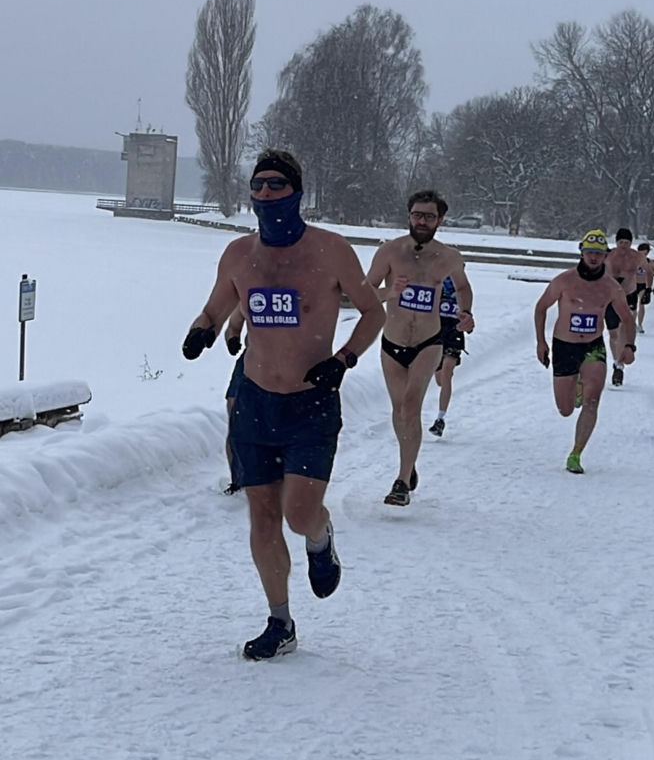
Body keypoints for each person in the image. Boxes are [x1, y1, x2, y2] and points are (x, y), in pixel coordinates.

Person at [182, 150, 384, 660]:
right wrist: (201, 329)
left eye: (277, 185)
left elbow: (373, 312)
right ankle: (281, 622)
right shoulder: (237, 255)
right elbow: (217, 304)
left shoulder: (332, 251)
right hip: (255, 401)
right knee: (263, 515)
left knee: (298, 513)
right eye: (259, 187)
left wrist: (344, 359)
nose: (266, 195)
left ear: (297, 192)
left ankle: (320, 536)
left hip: (311, 403)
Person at [366, 190, 474, 506]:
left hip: (429, 341)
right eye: (417, 214)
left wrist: (466, 312)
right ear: (409, 215)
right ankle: (409, 463)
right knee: (399, 410)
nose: (421, 221)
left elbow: (464, 287)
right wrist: (390, 292)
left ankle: (401, 481)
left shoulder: (449, 256)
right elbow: (365, 291)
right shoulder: (389, 251)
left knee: (411, 406)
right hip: (393, 343)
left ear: (440, 219)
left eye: (428, 216)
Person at [534, 229, 636, 474]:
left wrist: (629, 346)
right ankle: (576, 386)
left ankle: (576, 454)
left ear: (605, 256)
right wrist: (541, 342)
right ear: (581, 252)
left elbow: (627, 319)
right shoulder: (565, 280)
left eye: (599, 254)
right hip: (564, 346)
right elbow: (541, 308)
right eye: (589, 252)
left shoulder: (611, 287)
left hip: (593, 346)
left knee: (592, 401)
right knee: (565, 409)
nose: (593, 258)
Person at [429, 275, 468, 437]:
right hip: (436, 335)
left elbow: (468, 314)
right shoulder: (435, 286)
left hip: (454, 335)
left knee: (446, 374)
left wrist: (466, 323)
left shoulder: (462, 290)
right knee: (439, 379)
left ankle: (440, 419)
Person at [605, 228, 643, 386]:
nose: (623, 246)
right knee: (613, 333)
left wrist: (645, 289)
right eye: (621, 242)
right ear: (616, 242)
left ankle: (620, 366)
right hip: (611, 296)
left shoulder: (636, 257)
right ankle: (616, 361)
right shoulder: (609, 256)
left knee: (623, 329)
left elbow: (646, 271)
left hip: (628, 295)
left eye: (627, 243)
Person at [221, 305, 245, 496]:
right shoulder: (254, 291)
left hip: (290, 362)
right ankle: (238, 481)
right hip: (252, 360)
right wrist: (232, 339)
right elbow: (233, 326)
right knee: (235, 413)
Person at [635, 242, 654, 334]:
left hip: (643, 285)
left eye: (646, 252)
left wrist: (649, 287)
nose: (644, 254)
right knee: (633, 306)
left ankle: (639, 324)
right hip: (633, 284)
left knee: (641, 304)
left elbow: (652, 273)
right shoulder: (633, 260)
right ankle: (632, 324)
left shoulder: (649, 262)